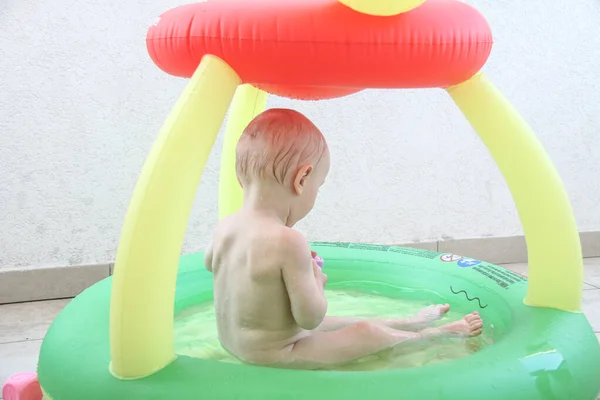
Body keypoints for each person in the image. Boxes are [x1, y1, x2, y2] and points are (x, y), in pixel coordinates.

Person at [204, 108, 483, 370]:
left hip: (235, 345)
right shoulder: (288, 241)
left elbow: (210, 264)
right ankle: (432, 335)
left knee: (341, 323)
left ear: (241, 179)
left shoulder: (224, 228)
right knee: (366, 333)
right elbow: (310, 317)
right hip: (277, 355)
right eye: (319, 186)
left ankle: (405, 322)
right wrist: (316, 280)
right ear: (302, 179)